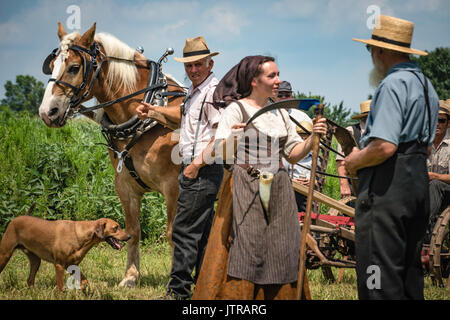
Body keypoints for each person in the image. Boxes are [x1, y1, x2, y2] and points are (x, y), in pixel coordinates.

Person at [211, 55, 327, 299]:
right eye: (271, 75)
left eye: (278, 74)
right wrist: (233, 137)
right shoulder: (237, 110)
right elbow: (221, 153)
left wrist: (311, 139)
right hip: (247, 186)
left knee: (283, 245)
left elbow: (293, 154)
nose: (278, 80)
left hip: (279, 187)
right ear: (254, 80)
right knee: (250, 246)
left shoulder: (281, 113)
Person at [345, 15, 439, 300]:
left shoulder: (392, 84)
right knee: (408, 273)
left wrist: (354, 161)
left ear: (380, 51)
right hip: (416, 183)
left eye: (371, 49)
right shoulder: (426, 86)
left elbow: (385, 146)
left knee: (378, 275)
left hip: (388, 187)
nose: (372, 55)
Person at [136, 36, 223, 299]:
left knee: (183, 231)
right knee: (202, 233)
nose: (193, 70)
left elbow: (221, 136)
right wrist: (153, 111)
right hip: (196, 168)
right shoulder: (196, 91)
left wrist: (195, 165)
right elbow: (182, 116)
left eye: (198, 65)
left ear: (209, 63)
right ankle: (207, 287)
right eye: (189, 66)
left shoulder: (214, 92)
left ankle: (177, 292)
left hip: (202, 169)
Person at [276, 80, 314, 212]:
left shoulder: (303, 117)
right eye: (280, 95)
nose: (283, 98)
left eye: (286, 95)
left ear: (292, 96)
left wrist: (308, 178)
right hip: (276, 179)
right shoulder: (267, 116)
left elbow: (311, 151)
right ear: (274, 95)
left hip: (300, 180)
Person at [425, 99, 450, 243]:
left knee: (435, 185)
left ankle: (426, 229)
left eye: (441, 120)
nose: (436, 124)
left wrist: (435, 176)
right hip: (427, 192)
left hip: (446, 191)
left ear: (448, 123)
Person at [335, 99, 371, 199]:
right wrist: (344, 185)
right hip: (354, 184)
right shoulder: (350, 131)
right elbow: (341, 161)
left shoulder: (381, 132)